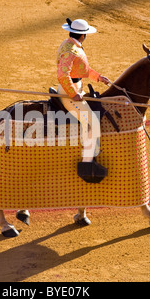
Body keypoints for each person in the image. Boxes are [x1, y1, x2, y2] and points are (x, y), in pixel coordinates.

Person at [56, 18, 110, 182]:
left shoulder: (71, 45)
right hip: (68, 93)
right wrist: (73, 93)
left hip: (76, 87)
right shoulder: (71, 50)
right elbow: (62, 75)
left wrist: (99, 77)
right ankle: (87, 163)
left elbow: (83, 69)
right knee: (92, 121)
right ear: (83, 35)